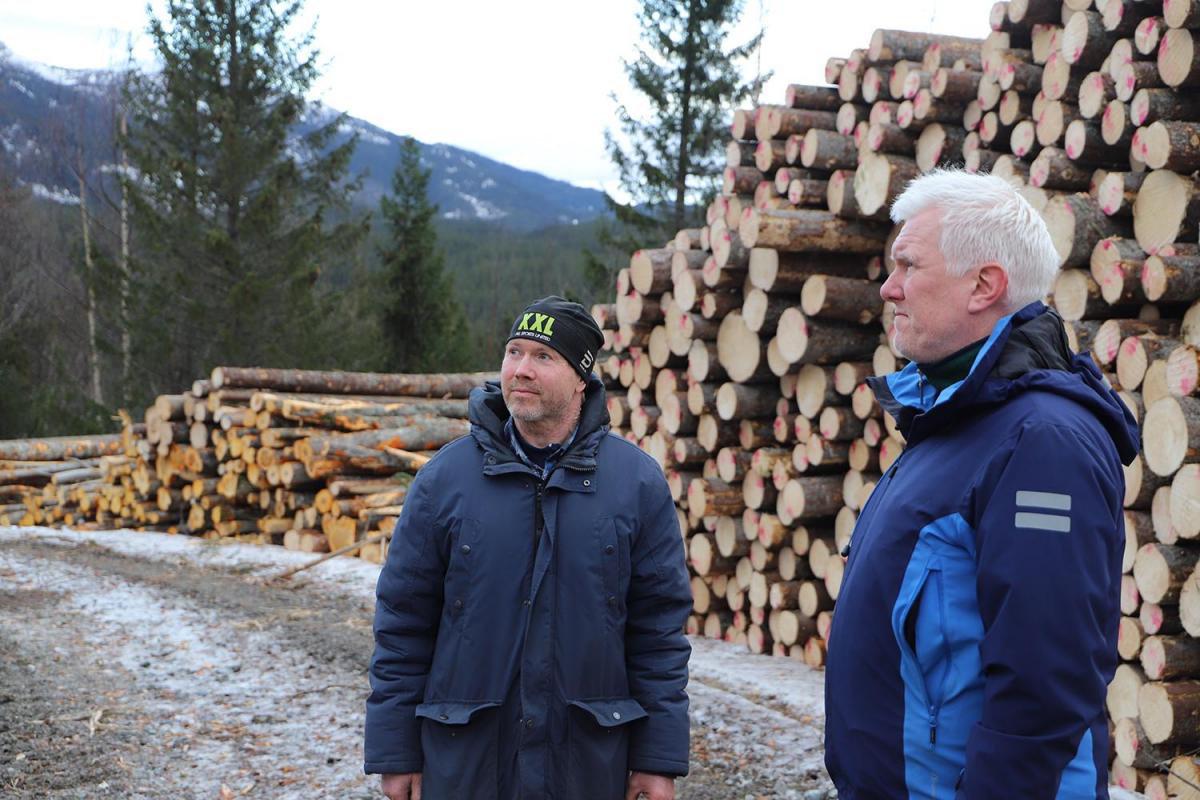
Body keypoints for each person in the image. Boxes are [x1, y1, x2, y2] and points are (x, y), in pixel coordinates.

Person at [824, 170, 1138, 799]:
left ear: (984, 285)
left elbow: (1045, 684)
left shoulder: (1041, 443)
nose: (888, 289)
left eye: (908, 265)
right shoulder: (955, 420)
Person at [364, 296, 692, 800]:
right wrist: (396, 750)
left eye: (544, 357)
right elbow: (403, 624)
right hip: (465, 762)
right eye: (514, 351)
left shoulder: (636, 485)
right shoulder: (444, 481)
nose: (521, 370)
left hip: (587, 764)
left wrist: (656, 759)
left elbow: (658, 635)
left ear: (582, 377)